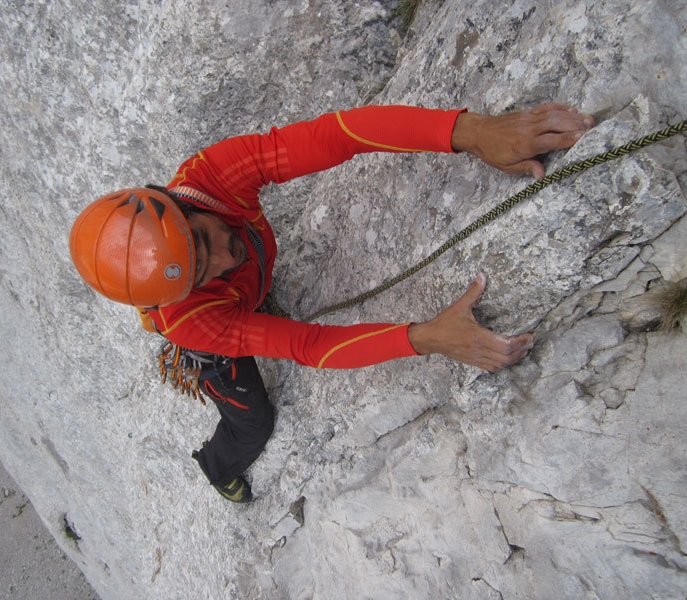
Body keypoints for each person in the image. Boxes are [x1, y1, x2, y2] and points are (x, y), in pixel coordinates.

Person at [69, 103, 594, 503]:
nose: (223, 261)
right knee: (253, 422)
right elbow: (309, 346)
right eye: (199, 274)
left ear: (178, 201)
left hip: (241, 304)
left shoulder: (211, 176)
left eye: (202, 243)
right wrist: (427, 337)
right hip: (218, 338)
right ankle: (217, 467)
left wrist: (476, 133)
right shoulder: (192, 319)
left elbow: (337, 136)